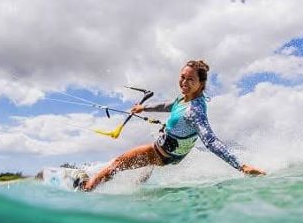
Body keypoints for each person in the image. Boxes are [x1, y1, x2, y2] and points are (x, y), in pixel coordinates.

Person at [81, 60, 265, 191]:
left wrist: (241, 166)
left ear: (201, 84)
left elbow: (211, 141)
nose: (184, 82)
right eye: (182, 77)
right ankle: (134, 194)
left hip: (158, 154)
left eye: (190, 79)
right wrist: (144, 107)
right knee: (137, 176)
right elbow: (168, 105)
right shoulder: (184, 99)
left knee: (117, 163)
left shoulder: (195, 111)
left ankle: (87, 189)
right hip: (170, 156)